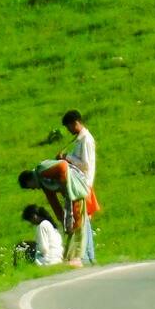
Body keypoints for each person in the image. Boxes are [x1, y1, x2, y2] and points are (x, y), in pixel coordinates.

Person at [60, 109, 99, 265]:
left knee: (83, 220)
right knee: (84, 220)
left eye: (69, 126)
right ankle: (89, 256)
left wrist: (67, 158)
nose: (69, 130)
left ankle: (88, 256)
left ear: (75, 123)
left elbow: (86, 165)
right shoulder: (80, 140)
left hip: (84, 184)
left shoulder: (86, 140)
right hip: (80, 184)